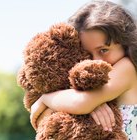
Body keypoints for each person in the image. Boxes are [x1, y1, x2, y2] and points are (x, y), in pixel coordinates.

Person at [30, 1, 137, 139]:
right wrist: (90, 105)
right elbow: (43, 118)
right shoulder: (79, 88)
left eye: (104, 50)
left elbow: (80, 103)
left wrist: (45, 99)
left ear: (125, 44)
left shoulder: (127, 68)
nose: (96, 61)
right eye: (87, 54)